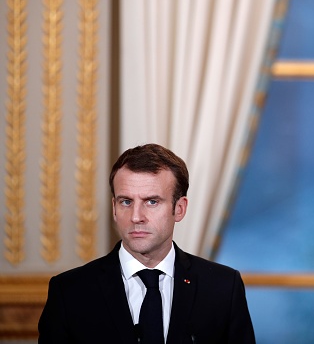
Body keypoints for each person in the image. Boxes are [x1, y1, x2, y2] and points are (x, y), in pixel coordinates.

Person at [38, 143, 256, 343]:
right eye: (126, 202)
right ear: (114, 208)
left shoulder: (223, 287)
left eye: (152, 202)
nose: (136, 217)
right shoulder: (70, 292)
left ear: (179, 209)